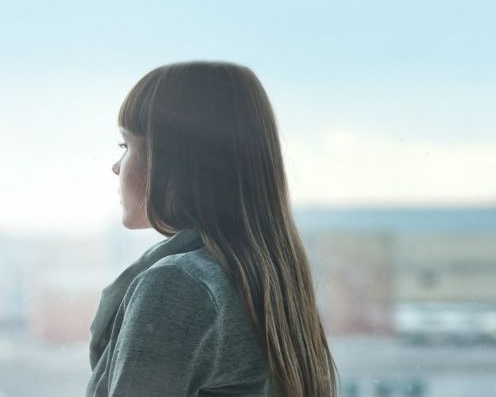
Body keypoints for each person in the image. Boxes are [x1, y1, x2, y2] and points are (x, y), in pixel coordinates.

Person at [87, 62, 338, 397]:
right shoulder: (263, 276)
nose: (116, 167)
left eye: (126, 145)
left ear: (175, 160)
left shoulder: (178, 284)